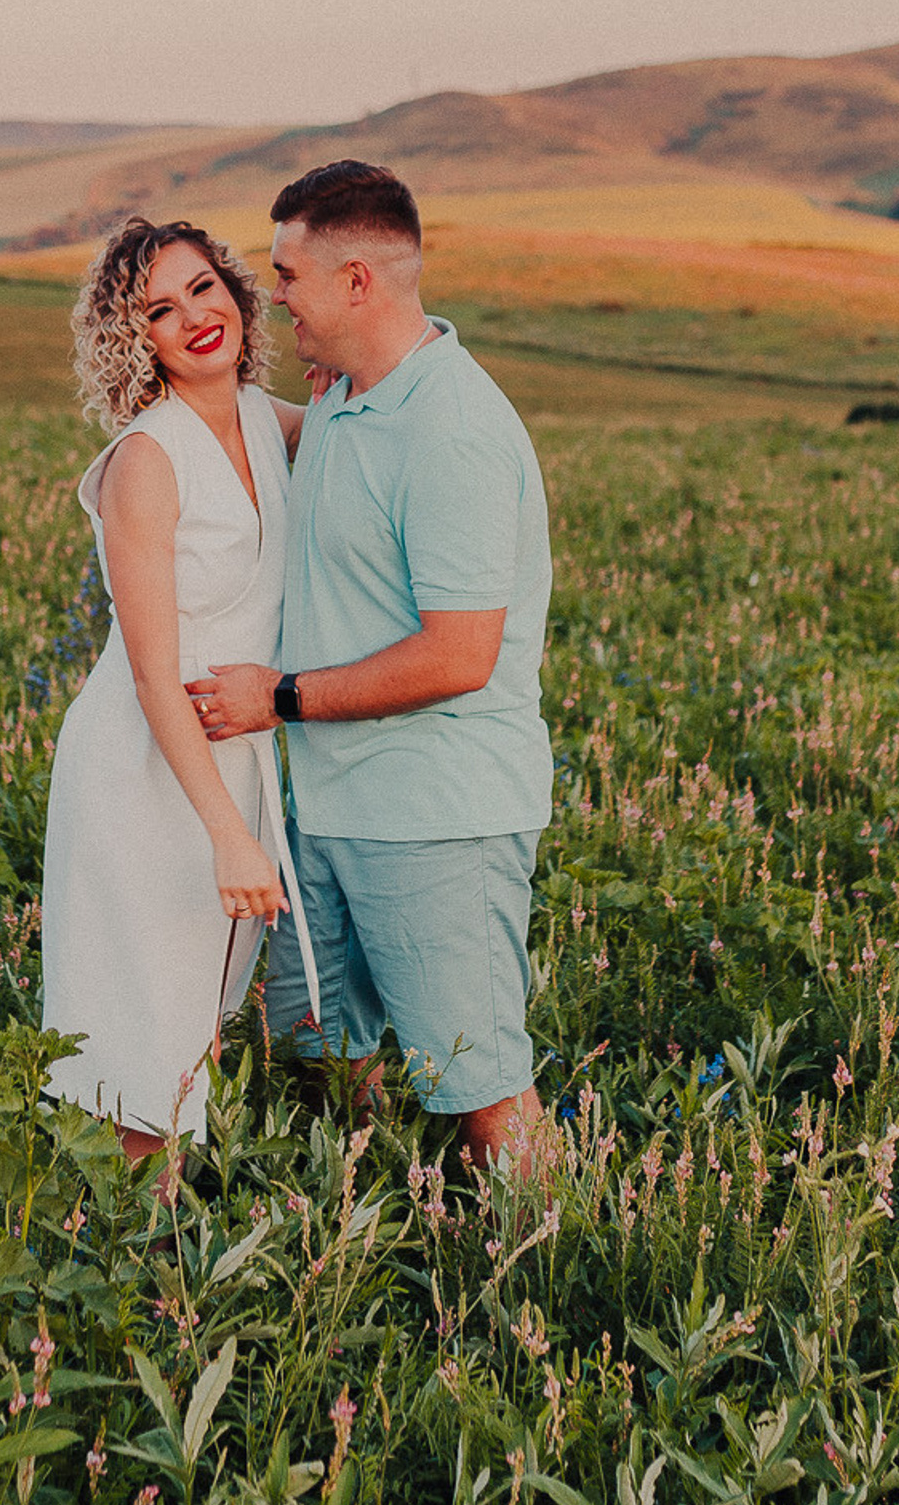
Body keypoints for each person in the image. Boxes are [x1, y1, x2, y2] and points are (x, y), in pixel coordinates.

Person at [188, 161, 553, 1169]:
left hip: (438, 813)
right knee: (311, 1034)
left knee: (479, 1085)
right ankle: (387, 1207)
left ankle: (555, 1281)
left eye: (287, 273)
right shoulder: (353, 397)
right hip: (337, 806)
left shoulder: (453, 432)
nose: (272, 295)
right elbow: (283, 448)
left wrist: (279, 697)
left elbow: (460, 654)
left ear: (358, 281)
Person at [38, 216, 323, 1167]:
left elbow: (368, 413)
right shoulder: (145, 460)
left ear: (238, 294)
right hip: (144, 769)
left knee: (192, 1030)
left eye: (204, 288)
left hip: (231, 756)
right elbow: (156, 671)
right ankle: (124, 1278)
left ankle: (143, 1270)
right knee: (140, 1035)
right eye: (160, 308)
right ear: (137, 340)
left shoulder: (265, 421)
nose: (195, 316)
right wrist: (228, 834)